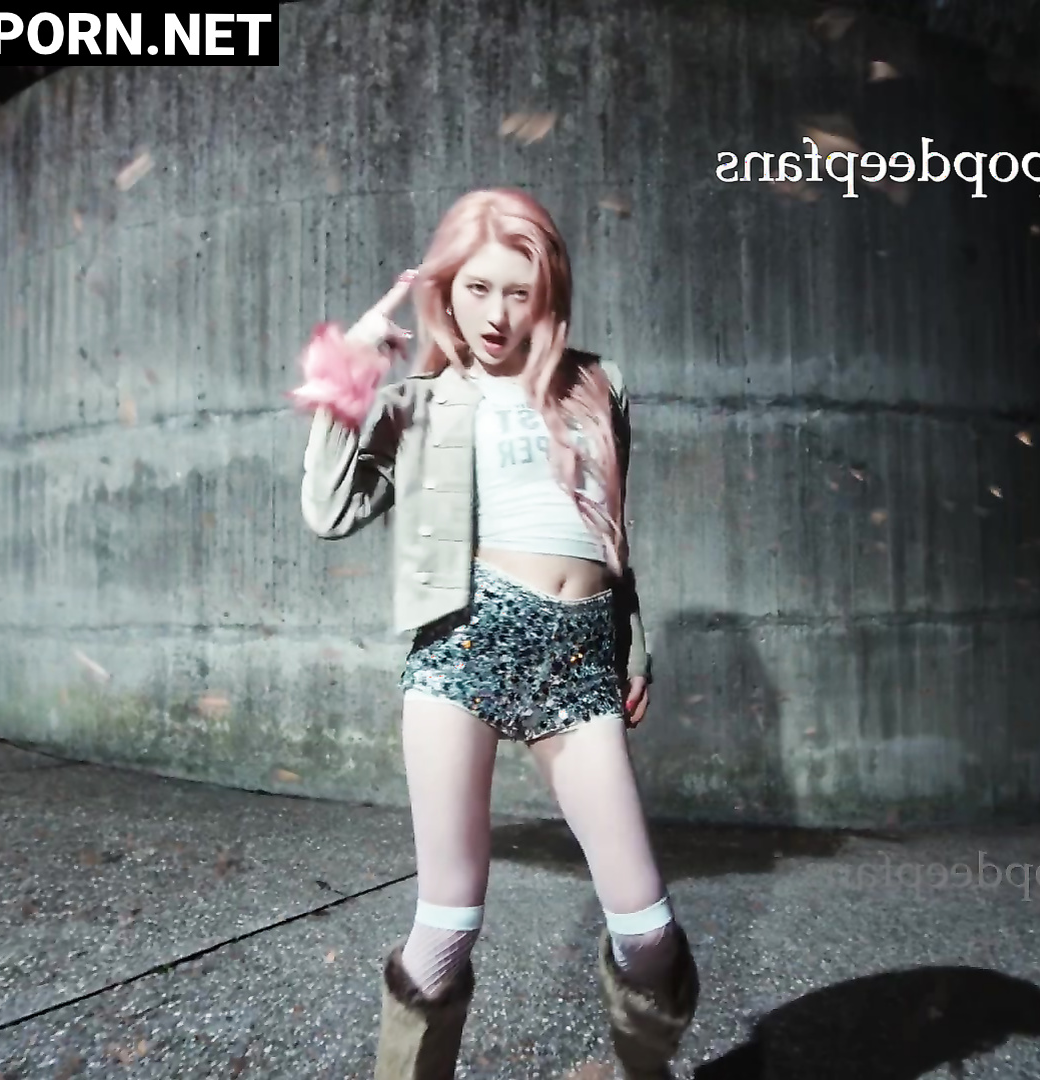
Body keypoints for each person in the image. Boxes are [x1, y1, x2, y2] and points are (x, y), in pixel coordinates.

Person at [294, 188, 700, 1080]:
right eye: (477, 289)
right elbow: (328, 510)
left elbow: (612, 532)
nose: (496, 314)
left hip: (578, 658)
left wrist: (629, 645)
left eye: (518, 292)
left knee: (647, 931)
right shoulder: (424, 400)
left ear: (547, 292)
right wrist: (349, 373)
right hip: (464, 648)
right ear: (446, 289)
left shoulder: (599, 384)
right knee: (447, 925)